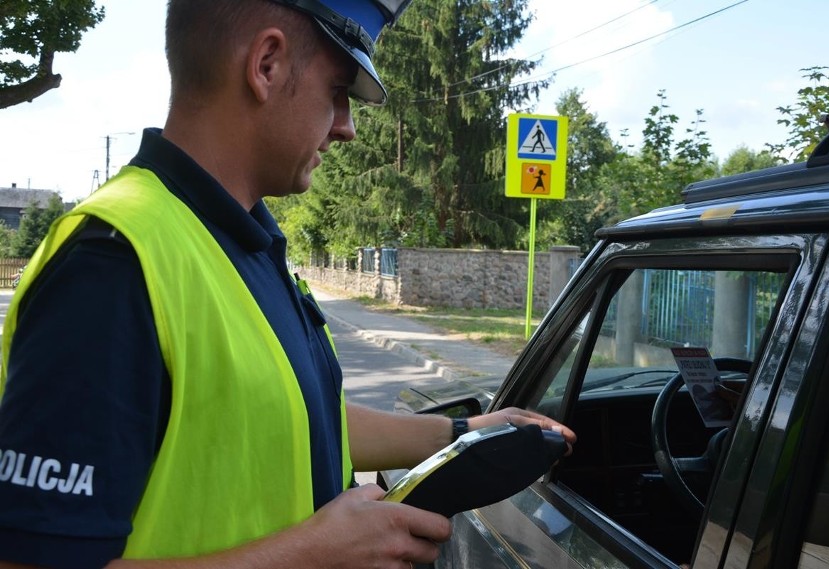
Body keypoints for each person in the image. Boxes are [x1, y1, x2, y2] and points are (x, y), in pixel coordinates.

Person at [0, 1, 577, 567]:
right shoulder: (113, 265)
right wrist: (314, 554)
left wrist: (461, 432)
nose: (347, 127)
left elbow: (294, 417)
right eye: (338, 92)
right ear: (267, 64)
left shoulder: (242, 242)